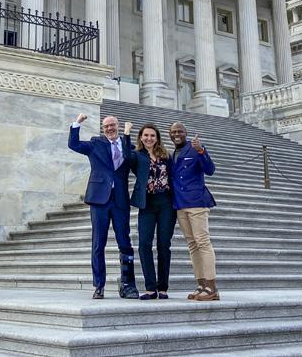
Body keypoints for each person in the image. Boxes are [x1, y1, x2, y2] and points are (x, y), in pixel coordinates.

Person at [68, 113, 139, 299]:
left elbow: (136, 162)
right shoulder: (95, 144)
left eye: (112, 125)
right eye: (106, 126)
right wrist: (77, 123)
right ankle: (99, 285)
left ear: (118, 126)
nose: (109, 128)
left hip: (120, 200)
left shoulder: (128, 146)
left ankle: (128, 284)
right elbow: (73, 144)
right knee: (98, 243)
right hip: (99, 200)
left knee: (124, 242)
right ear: (103, 128)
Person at [169, 121, 219, 301]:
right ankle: (201, 284)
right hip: (180, 204)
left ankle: (211, 287)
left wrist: (201, 151)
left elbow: (210, 170)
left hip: (197, 202)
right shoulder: (172, 154)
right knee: (192, 244)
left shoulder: (195, 148)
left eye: (180, 131)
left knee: (202, 242)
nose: (177, 134)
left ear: (186, 133)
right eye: (173, 132)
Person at [128, 123, 177, 300]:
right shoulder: (136, 155)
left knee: (164, 245)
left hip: (166, 203)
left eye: (152, 136)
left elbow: (174, 176)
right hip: (147, 203)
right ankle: (150, 288)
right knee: (144, 244)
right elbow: (125, 156)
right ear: (141, 137)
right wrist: (126, 133)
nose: (149, 138)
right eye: (146, 135)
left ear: (157, 138)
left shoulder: (166, 155)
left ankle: (162, 287)